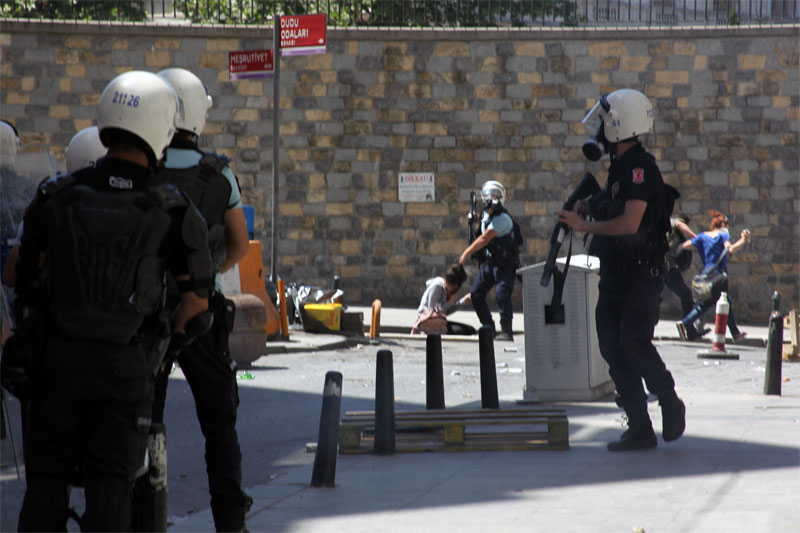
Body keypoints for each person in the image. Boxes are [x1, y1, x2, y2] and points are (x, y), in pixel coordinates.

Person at [11, 70, 213, 531]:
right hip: (124, 372)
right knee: (111, 494)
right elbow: (197, 306)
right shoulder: (173, 209)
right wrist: (162, 349)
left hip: (56, 365)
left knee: (44, 487)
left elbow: (25, 283)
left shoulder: (54, 196)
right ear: (161, 129)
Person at [149, 67, 252, 532]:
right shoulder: (218, 172)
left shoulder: (142, 166)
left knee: (143, 418)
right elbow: (239, 243)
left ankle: (140, 514)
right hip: (202, 313)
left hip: (147, 312)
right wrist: (206, 277)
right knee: (219, 423)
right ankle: (230, 521)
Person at [556, 88, 685, 451]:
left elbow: (630, 223)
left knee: (633, 341)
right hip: (616, 271)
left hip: (641, 274)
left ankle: (669, 401)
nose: (598, 129)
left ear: (617, 125)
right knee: (612, 344)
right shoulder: (619, 169)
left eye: (603, 122)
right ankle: (639, 426)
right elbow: (612, 205)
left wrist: (585, 227)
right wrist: (587, 206)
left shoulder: (641, 169)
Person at [458, 180, 520, 341]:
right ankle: (488, 327)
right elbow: (483, 225)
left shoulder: (503, 218)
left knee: (501, 294)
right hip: (491, 263)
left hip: (505, 265)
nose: (489, 200)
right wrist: (475, 219)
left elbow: (485, 239)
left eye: (493, 196)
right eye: (487, 196)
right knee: (476, 293)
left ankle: (507, 331)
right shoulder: (488, 215)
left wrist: (466, 253)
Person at [676, 210, 751, 342]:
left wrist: (699, 247)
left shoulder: (702, 236)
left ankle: (735, 333)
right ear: (723, 226)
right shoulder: (723, 236)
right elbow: (731, 250)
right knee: (721, 302)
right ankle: (685, 322)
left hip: (706, 273)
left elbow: (685, 246)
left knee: (716, 302)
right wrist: (743, 240)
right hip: (719, 276)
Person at [414, 263, 475, 335]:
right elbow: (432, 313)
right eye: (453, 289)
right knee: (464, 331)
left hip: (439, 321)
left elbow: (445, 312)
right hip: (427, 322)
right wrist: (450, 302)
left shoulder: (446, 290)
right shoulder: (437, 286)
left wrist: (462, 301)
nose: (453, 292)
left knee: (470, 329)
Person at [664, 213, 698, 320]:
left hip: (664, 266)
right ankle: (689, 328)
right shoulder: (675, 222)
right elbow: (679, 225)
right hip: (668, 267)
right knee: (686, 295)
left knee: (658, 296)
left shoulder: (667, 225)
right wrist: (696, 237)